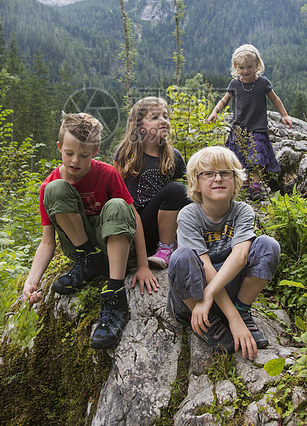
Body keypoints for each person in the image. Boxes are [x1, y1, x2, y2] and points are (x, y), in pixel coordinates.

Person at [22, 112, 158, 351]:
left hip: (111, 244)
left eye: (84, 155)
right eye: (69, 153)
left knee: (118, 205)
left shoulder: (106, 173)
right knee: (55, 189)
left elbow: (132, 216)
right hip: (80, 246)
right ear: (59, 147)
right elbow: (47, 243)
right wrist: (32, 281)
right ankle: (88, 261)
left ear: (94, 152)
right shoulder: (49, 183)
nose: (75, 161)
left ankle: (115, 294)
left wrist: (144, 265)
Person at [167, 146, 280, 360]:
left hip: (224, 291)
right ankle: (206, 320)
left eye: (225, 173)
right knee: (181, 257)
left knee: (268, 245)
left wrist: (235, 314)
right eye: (208, 173)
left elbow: (240, 257)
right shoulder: (189, 214)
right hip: (194, 298)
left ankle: (243, 309)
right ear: (196, 183)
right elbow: (206, 267)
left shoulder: (242, 211)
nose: (217, 178)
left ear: (236, 179)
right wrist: (219, 309)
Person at [206, 44, 292, 200]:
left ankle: (256, 186)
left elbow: (274, 99)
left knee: (256, 157)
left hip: (257, 127)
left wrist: (284, 115)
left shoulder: (263, 83)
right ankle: (245, 185)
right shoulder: (235, 84)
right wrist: (215, 112)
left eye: (249, 67)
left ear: (257, 65)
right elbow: (224, 100)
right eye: (241, 67)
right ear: (235, 67)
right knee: (239, 158)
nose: (245, 71)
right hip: (239, 127)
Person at [114, 96, 189, 268]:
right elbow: (116, 193)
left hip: (167, 223)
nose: (163, 121)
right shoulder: (126, 153)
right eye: (155, 117)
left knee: (183, 193)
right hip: (139, 224)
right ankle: (165, 249)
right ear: (139, 126)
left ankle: (172, 244)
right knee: (176, 189)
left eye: (165, 116)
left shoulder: (174, 156)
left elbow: (176, 200)